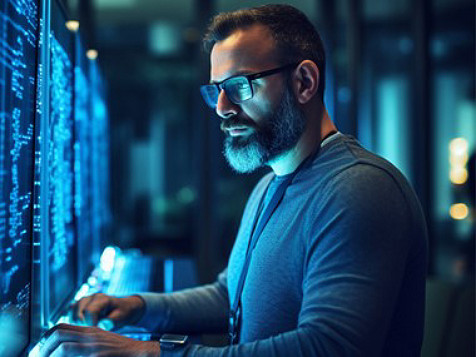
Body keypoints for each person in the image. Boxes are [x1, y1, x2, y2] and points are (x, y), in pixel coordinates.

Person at [39, 4, 428, 357]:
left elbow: (327, 347)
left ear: (305, 82)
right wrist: (140, 307)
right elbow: (232, 297)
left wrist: (154, 354)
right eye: (217, 91)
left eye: (239, 86)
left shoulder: (359, 189)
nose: (222, 109)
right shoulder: (269, 185)